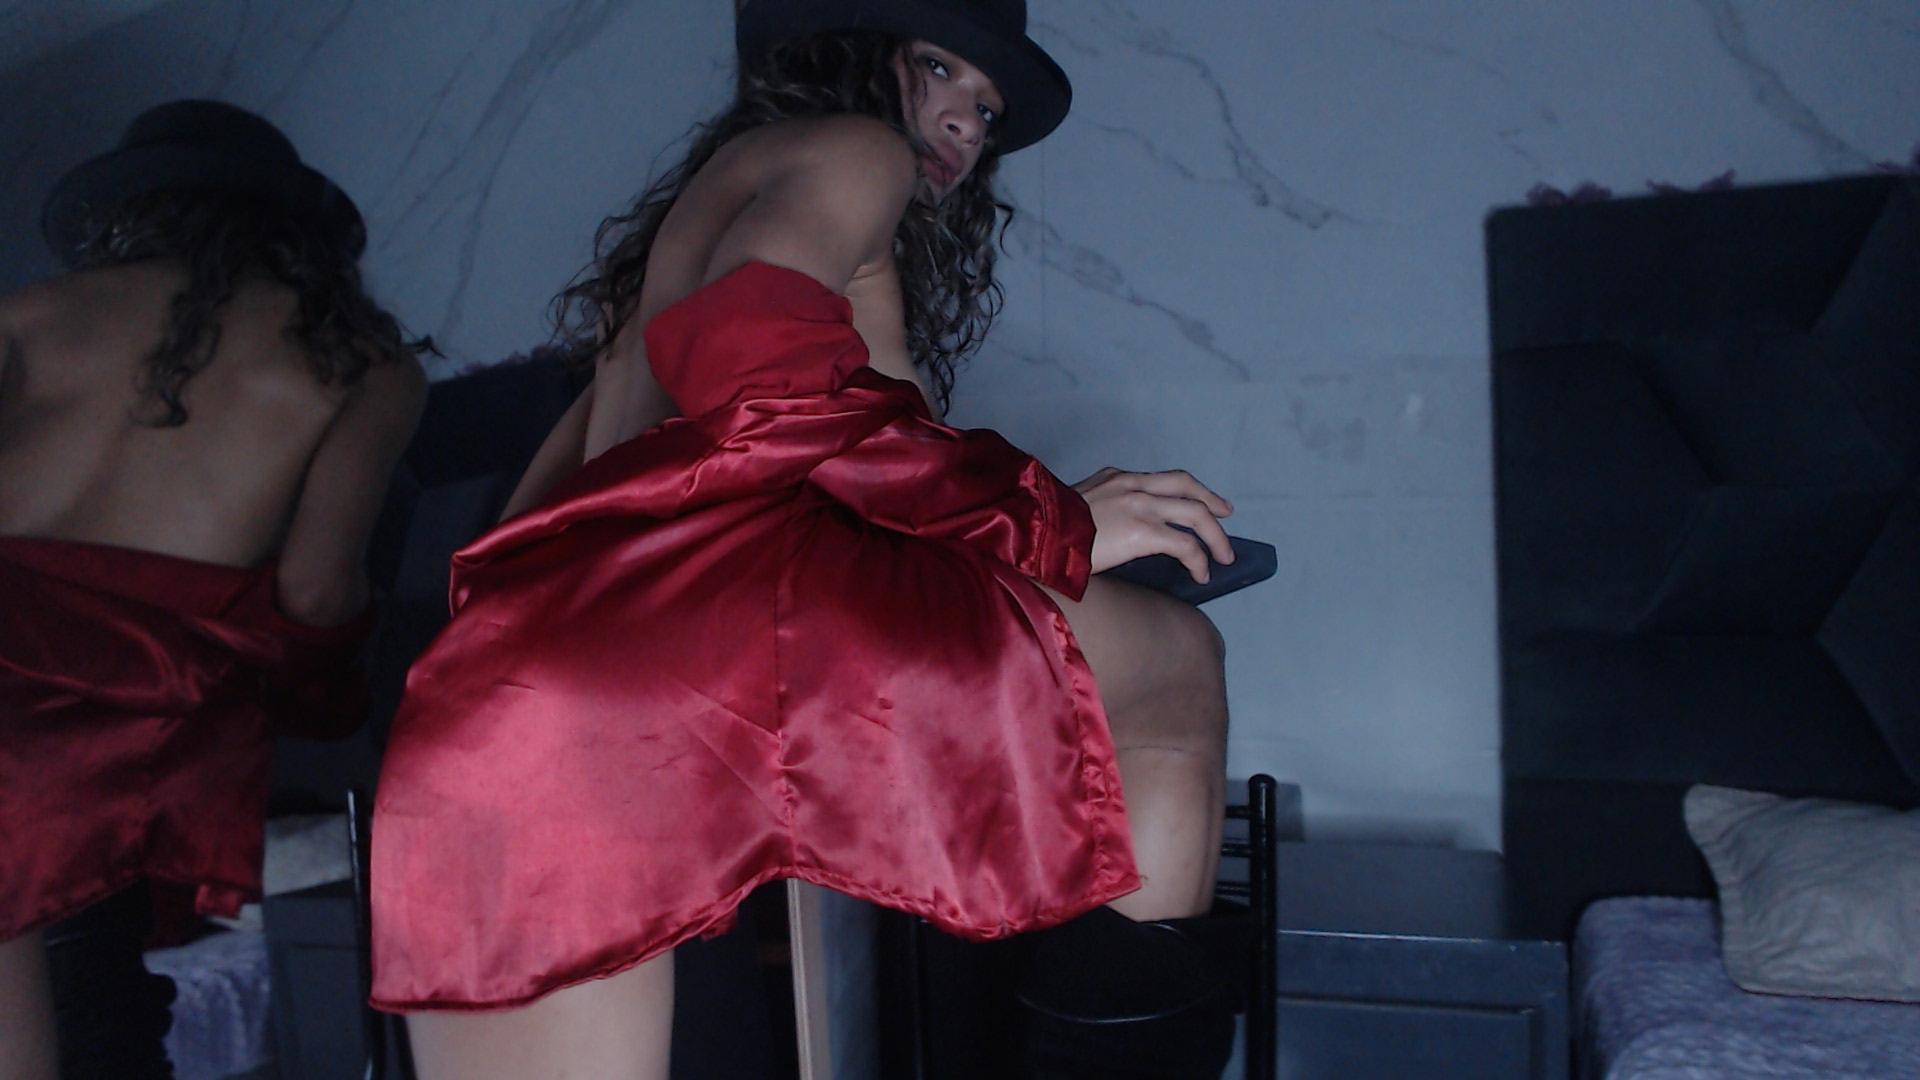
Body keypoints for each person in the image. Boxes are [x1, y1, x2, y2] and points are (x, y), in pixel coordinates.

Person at [371, 1, 1238, 1076]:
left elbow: (540, 517)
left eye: (986, 110)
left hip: (512, 706)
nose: (965, 124)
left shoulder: (692, 247)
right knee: (1176, 669)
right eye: (940, 69)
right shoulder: (859, 149)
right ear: (849, 51)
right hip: (668, 675)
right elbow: (752, 362)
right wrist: (1043, 519)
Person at [0, 100, 427, 1079]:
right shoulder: (360, 360)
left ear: (123, 215)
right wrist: (323, 700)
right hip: (103, 740)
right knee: (98, 1017)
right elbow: (316, 590)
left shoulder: (22, 320)